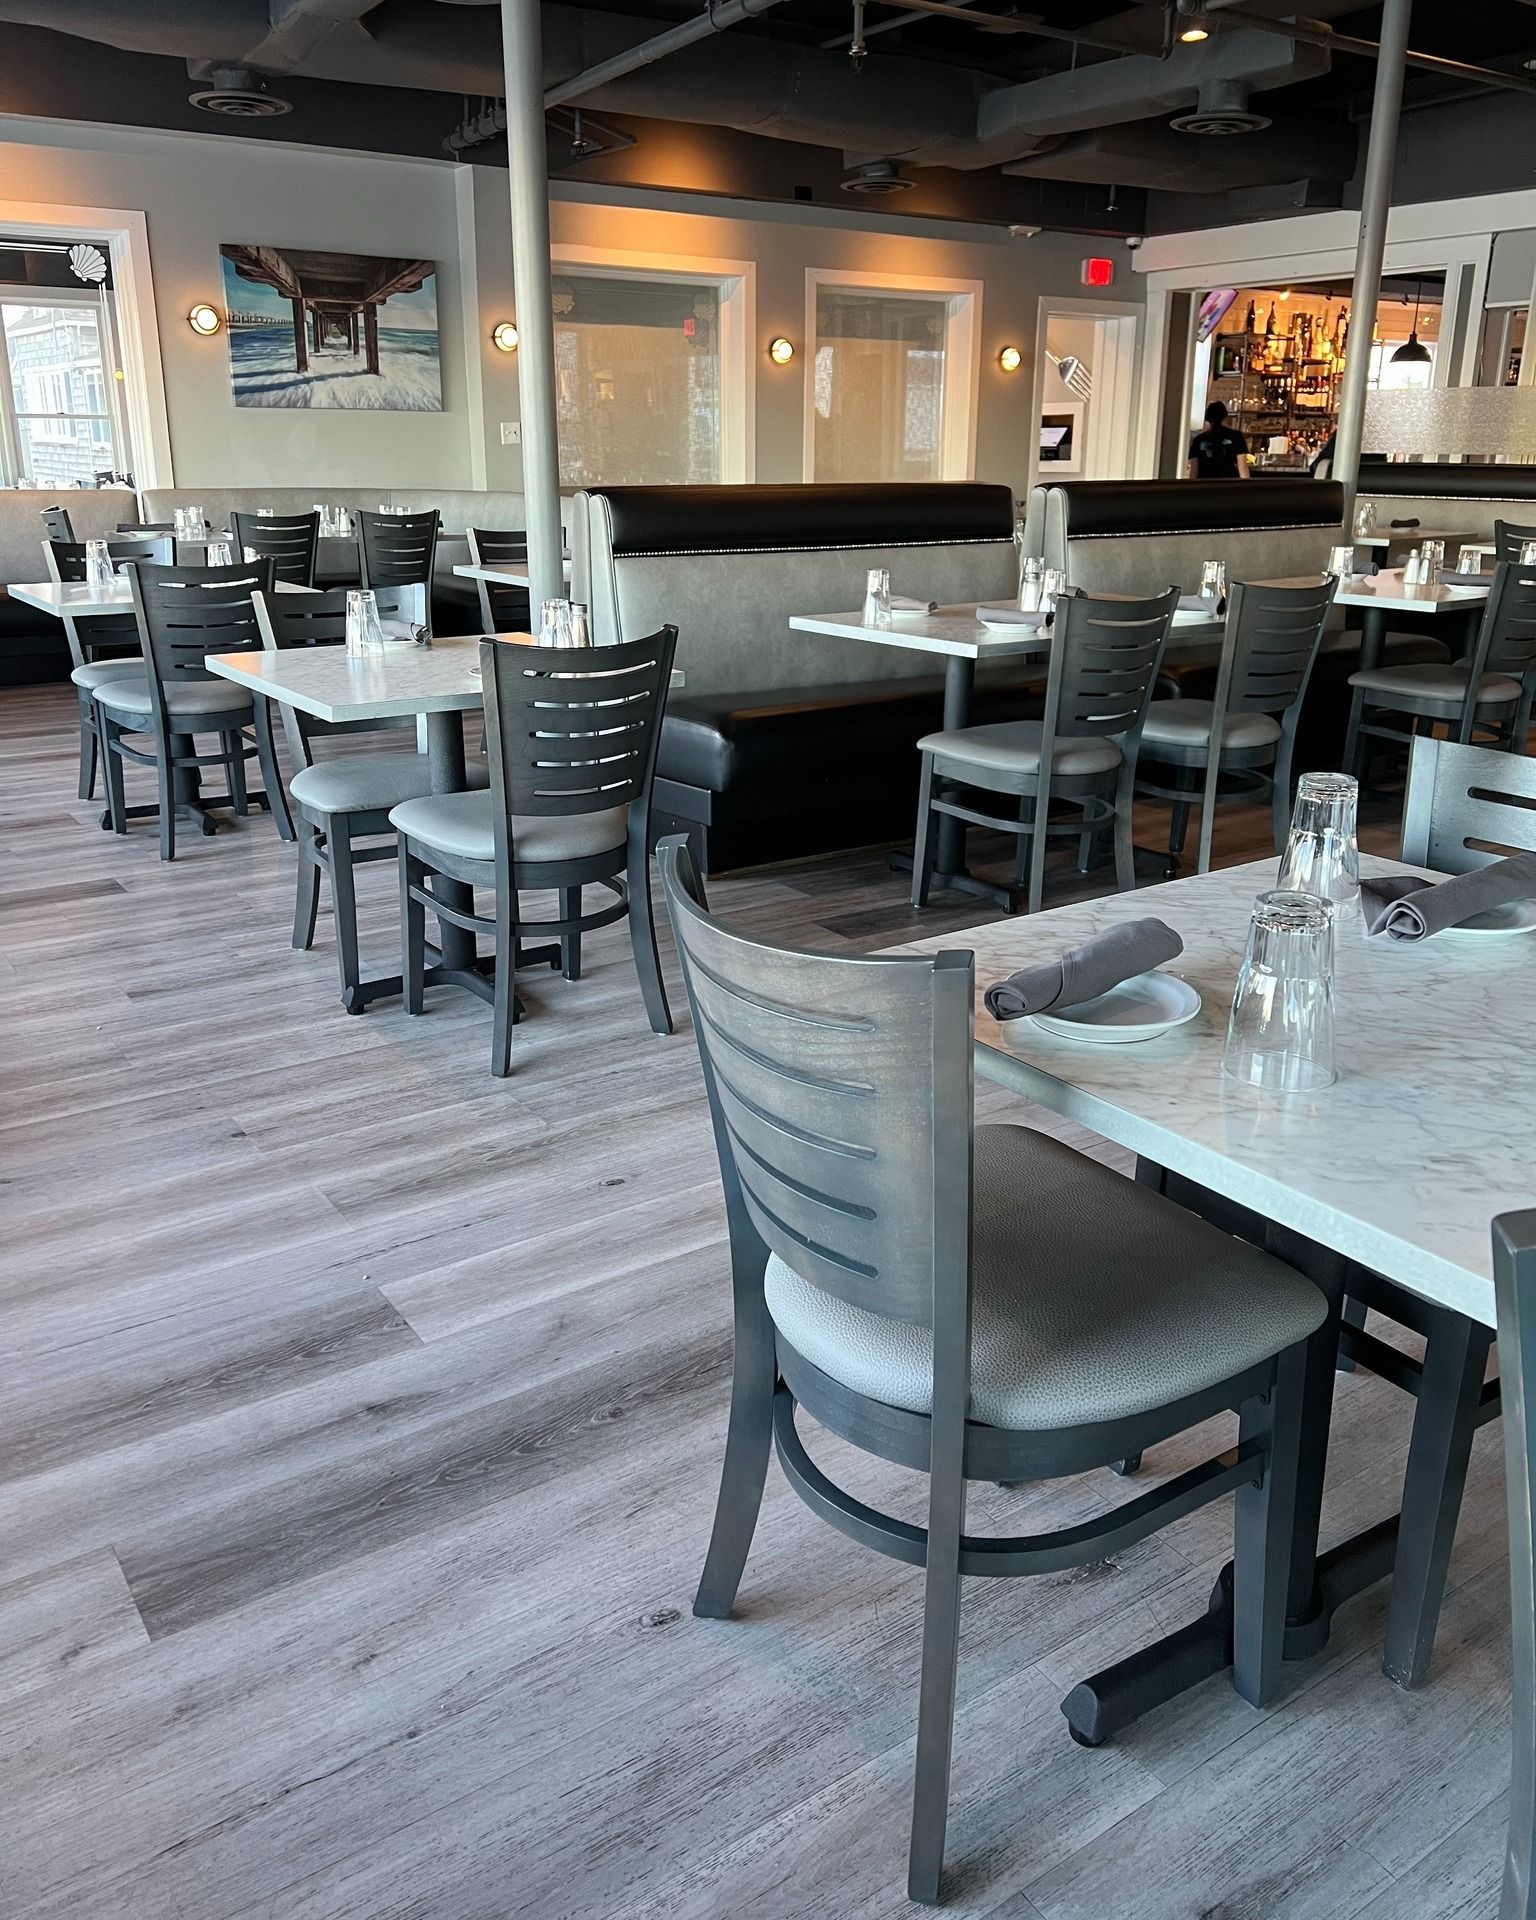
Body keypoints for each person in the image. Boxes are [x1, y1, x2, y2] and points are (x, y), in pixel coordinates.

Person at [1186, 401, 1251, 480]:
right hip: (1228, 484)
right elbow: (1242, 466)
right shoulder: (1236, 436)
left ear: (1207, 419)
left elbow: (1194, 470)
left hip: (1204, 485)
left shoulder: (1198, 440)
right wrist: (1245, 487)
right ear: (1225, 417)